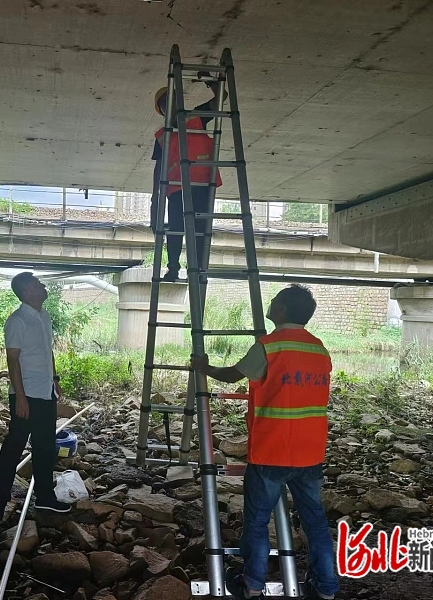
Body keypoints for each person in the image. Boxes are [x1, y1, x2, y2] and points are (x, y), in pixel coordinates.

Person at [191, 285, 338, 600]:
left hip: (272, 450)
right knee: (315, 521)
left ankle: (253, 585)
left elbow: (233, 375)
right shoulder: (319, 348)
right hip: (310, 452)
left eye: (275, 301)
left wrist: (204, 368)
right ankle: (326, 588)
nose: (270, 303)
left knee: (257, 523)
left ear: (283, 310)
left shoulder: (269, 346)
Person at [0, 272, 72, 523]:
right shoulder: (17, 321)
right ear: (26, 293)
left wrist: (54, 379)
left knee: (45, 447)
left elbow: (47, 352)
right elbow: (12, 360)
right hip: (26, 395)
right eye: (37, 284)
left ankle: (45, 497)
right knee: (14, 447)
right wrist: (20, 397)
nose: (43, 286)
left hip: (44, 392)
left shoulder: (43, 316)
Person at [151, 77, 224, 282]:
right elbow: (158, 169)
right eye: (164, 104)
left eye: (171, 101)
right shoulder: (161, 136)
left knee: (200, 231)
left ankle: (200, 270)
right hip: (176, 189)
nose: (169, 107)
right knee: (175, 231)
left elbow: (222, 98)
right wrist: (155, 199)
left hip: (201, 186)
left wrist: (212, 82)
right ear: (161, 110)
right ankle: (173, 268)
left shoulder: (195, 118)